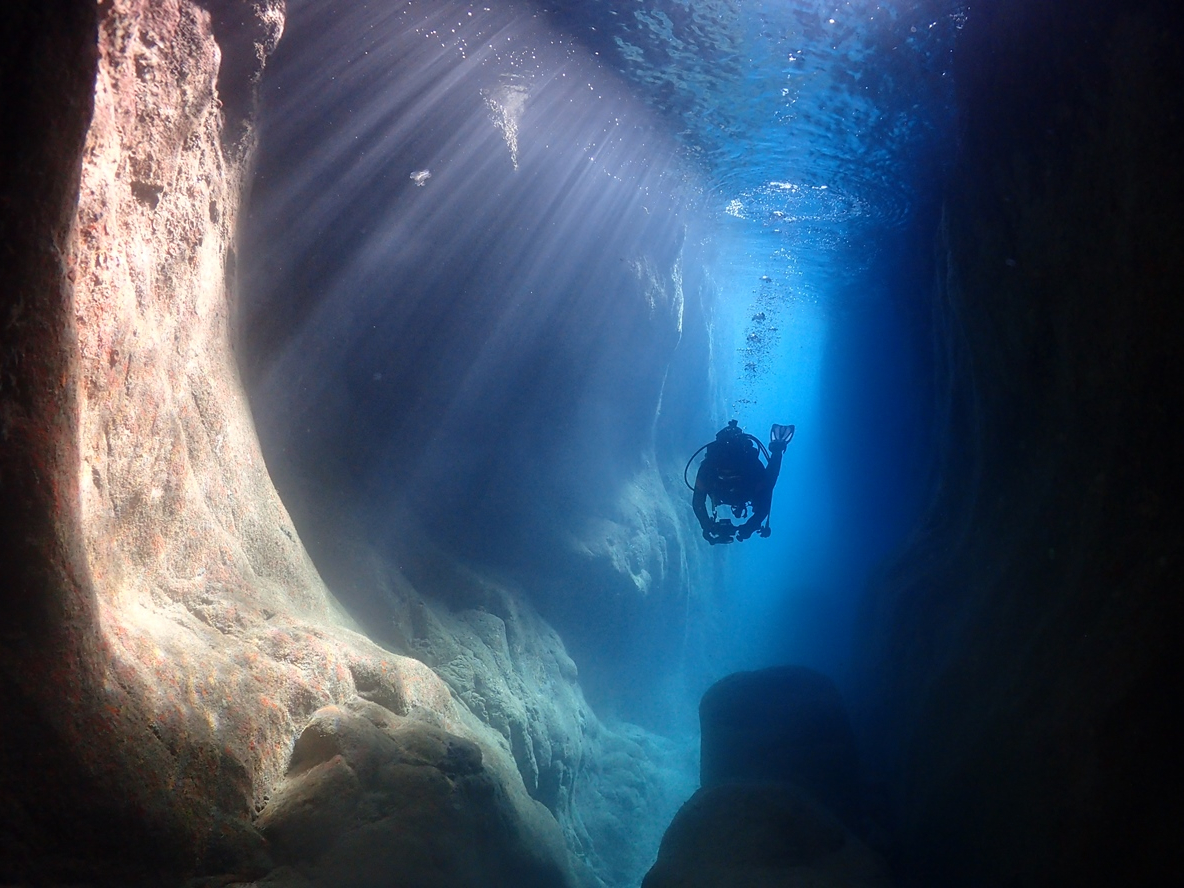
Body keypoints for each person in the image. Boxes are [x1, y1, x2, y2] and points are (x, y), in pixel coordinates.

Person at [691, 420, 794, 544]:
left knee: (768, 483)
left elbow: (698, 501)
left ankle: (777, 451)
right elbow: (766, 496)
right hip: (744, 488)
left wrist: (706, 525)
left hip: (738, 488)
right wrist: (750, 527)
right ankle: (777, 449)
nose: (729, 475)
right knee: (767, 483)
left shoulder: (709, 467)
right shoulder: (710, 468)